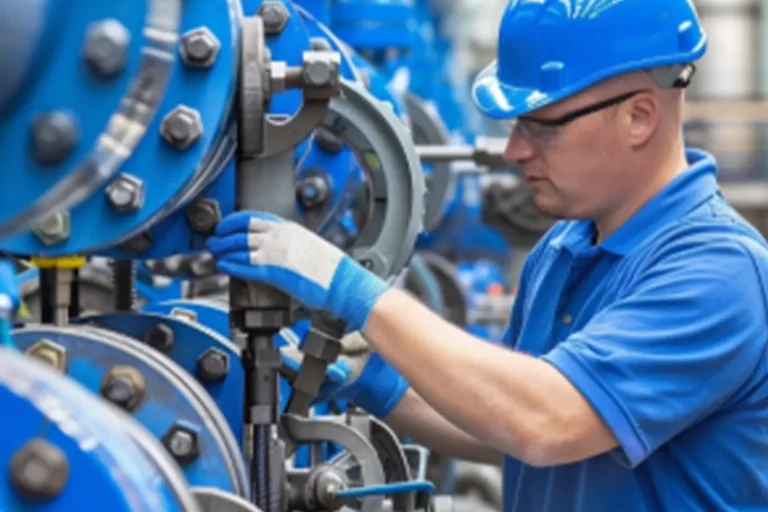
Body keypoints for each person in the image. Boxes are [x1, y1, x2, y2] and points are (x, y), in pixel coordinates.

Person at [207, 0, 768, 510]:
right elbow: (502, 424)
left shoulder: (717, 271)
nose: (513, 150)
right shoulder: (563, 248)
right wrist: (376, 378)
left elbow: (545, 421)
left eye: (540, 126)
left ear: (639, 117)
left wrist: (350, 290)